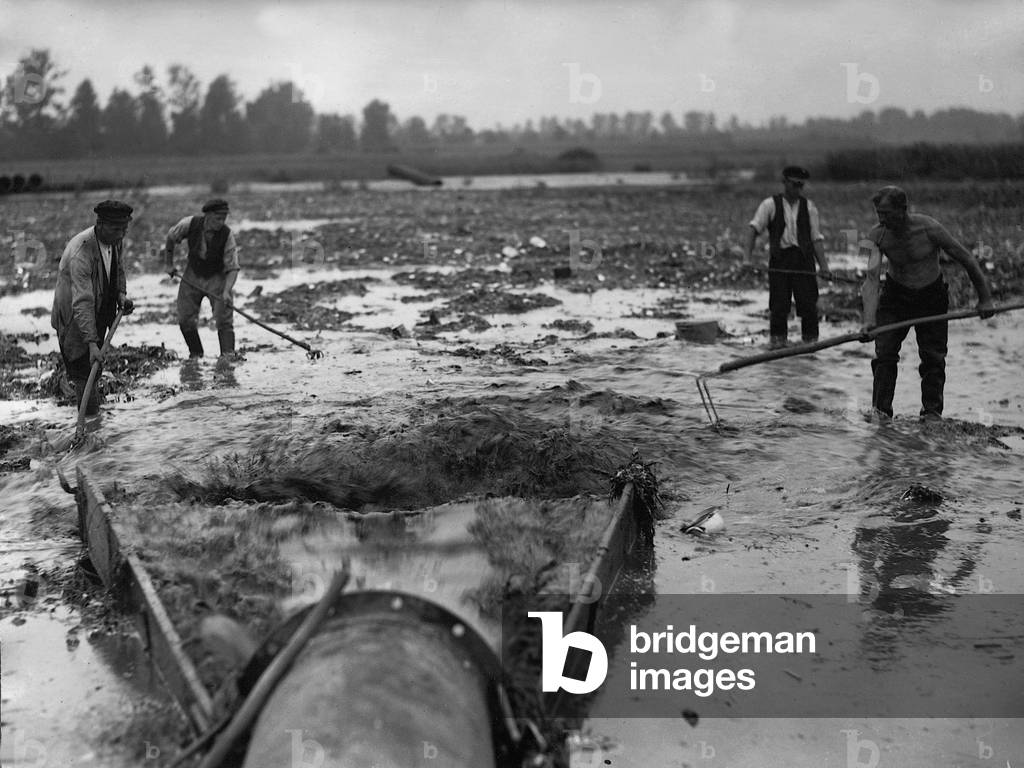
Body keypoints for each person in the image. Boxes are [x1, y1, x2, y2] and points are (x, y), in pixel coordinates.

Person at [860, 185, 995, 420]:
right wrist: (870, 320)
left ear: (903, 210)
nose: (882, 219)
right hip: (895, 298)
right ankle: (880, 413)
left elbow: (967, 259)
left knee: (933, 357)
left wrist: (985, 299)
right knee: (884, 355)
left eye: (887, 213)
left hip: (931, 297)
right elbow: (871, 280)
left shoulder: (929, 228)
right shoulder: (875, 236)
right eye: (878, 214)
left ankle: (932, 414)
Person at [51, 200, 135, 415]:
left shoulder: (115, 239)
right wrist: (91, 343)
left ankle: (93, 423)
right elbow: (82, 302)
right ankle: (88, 423)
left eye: (124, 229)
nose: (121, 234)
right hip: (73, 316)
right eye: (117, 229)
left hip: (99, 309)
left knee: (94, 371)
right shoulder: (82, 251)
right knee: (83, 371)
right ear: (100, 224)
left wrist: (121, 295)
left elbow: (118, 269)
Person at [745, 166, 832, 348]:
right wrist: (747, 259)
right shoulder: (769, 205)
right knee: (778, 308)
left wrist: (824, 268)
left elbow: (816, 238)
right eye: (794, 184)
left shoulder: (809, 207)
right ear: (784, 183)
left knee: (808, 307)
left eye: (801, 185)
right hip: (780, 262)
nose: (798, 189)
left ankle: (811, 346)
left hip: (803, 263)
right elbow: (754, 229)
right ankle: (778, 346)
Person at [164, 198, 240, 357]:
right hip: (192, 274)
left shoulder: (227, 235)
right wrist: (168, 264)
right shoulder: (189, 224)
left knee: (224, 320)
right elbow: (171, 238)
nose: (221, 222)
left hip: (216, 277)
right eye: (218, 218)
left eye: (224, 218)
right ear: (208, 215)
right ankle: (196, 354)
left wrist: (227, 290)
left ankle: (227, 357)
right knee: (185, 318)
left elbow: (232, 267)